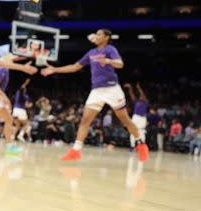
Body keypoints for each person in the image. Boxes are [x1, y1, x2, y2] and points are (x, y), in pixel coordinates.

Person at [41, 28, 149, 162]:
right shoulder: (91, 53)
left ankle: (141, 144)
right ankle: (76, 150)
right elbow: (75, 67)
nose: (96, 36)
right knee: (85, 120)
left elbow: (120, 64)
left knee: (125, 120)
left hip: (112, 89)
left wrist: (109, 61)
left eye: (99, 34)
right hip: (96, 91)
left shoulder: (110, 49)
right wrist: (55, 69)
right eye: (96, 34)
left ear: (106, 37)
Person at [124, 82, 149, 149]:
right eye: (140, 96)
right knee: (133, 130)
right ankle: (132, 146)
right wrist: (130, 87)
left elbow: (142, 94)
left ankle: (141, 145)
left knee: (141, 131)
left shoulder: (146, 102)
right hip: (136, 117)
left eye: (142, 96)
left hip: (142, 118)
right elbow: (131, 94)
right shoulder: (137, 101)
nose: (141, 96)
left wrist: (139, 88)